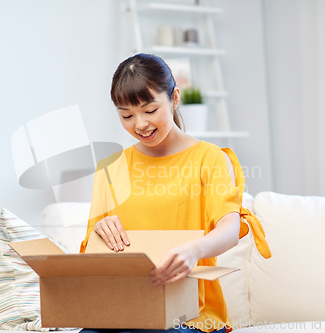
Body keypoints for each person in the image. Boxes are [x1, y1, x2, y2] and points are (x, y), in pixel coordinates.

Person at [79, 53, 271, 333]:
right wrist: (100, 229)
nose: (140, 124)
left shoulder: (210, 158)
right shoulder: (111, 168)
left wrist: (194, 250)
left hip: (191, 314)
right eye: (127, 115)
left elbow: (230, 229)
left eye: (150, 110)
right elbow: (90, 258)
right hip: (124, 308)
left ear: (174, 99)